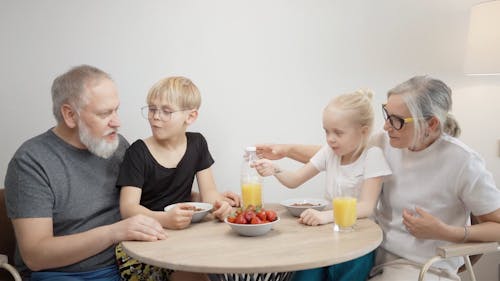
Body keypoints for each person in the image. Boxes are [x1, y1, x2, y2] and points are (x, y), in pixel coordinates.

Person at [256, 75, 500, 281]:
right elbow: (339, 154)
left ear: (432, 124)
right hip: (369, 252)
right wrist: (285, 151)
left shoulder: (463, 162)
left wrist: (446, 231)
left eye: (396, 121)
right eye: (386, 115)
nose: (385, 127)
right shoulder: (387, 143)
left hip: (421, 268)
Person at [4, 65, 167, 281]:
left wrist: (202, 203)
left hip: (132, 262)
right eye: (104, 113)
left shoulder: (117, 146)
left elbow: (148, 198)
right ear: (70, 115)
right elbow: (36, 255)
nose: (117, 122)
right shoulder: (31, 162)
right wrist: (114, 232)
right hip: (66, 274)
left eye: (116, 110)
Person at [254, 90, 391, 281]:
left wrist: (325, 216)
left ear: (364, 131)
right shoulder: (330, 153)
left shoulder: (373, 156)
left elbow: (366, 207)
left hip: (358, 241)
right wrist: (275, 169)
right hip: (328, 235)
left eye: (338, 132)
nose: (330, 138)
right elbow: (294, 180)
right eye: (326, 131)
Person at [115, 76, 236, 281]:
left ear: (190, 117)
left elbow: (209, 195)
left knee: (223, 260)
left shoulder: (197, 144)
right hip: (144, 243)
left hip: (183, 238)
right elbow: (128, 209)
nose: (155, 117)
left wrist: (220, 206)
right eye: (152, 109)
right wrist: (166, 220)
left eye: (166, 111)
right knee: (194, 275)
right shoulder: (138, 152)